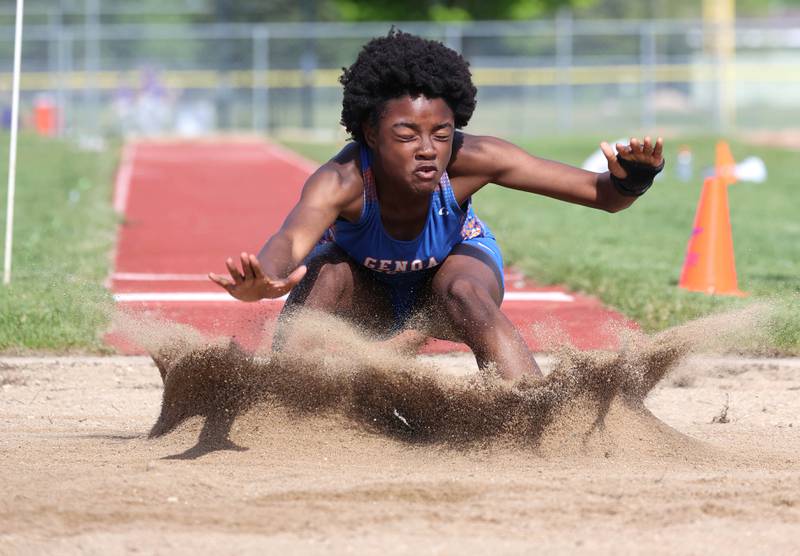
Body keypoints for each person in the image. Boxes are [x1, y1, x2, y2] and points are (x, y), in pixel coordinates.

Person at [209, 30, 664, 381]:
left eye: (441, 134)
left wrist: (634, 178)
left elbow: (604, 197)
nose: (427, 149)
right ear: (370, 133)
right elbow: (291, 239)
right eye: (406, 135)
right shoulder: (342, 181)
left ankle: (535, 411)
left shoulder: (477, 159)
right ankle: (284, 407)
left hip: (446, 285)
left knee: (463, 290)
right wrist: (264, 279)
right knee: (323, 272)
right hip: (365, 293)